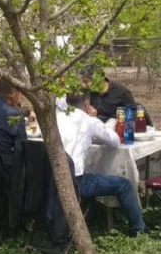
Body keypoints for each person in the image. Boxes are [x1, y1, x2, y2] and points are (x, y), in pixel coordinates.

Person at [56, 89, 147, 237]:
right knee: (123, 184)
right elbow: (115, 142)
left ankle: (94, 217)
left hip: (52, 178)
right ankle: (138, 229)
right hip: (77, 182)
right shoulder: (89, 121)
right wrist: (94, 119)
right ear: (86, 104)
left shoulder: (56, 118)